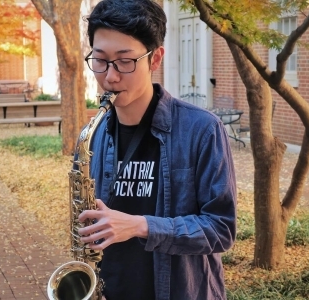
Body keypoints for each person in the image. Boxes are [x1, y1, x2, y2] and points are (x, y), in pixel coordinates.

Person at [77, 0, 237, 299]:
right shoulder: (93, 135)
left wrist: (140, 225)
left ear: (156, 59)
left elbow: (221, 229)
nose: (109, 77)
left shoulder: (201, 129)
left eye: (125, 61)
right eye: (100, 60)